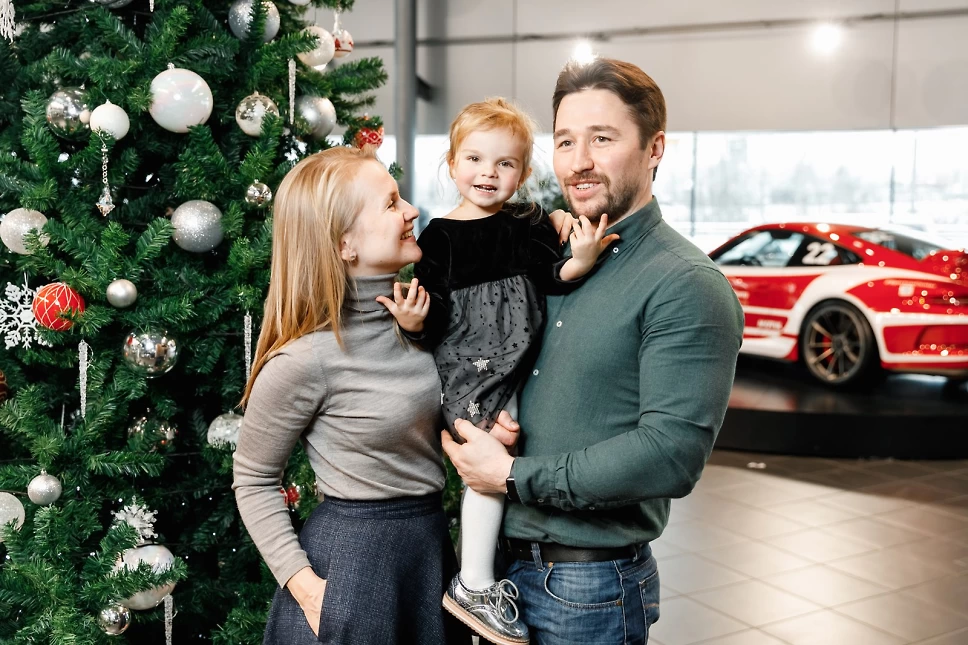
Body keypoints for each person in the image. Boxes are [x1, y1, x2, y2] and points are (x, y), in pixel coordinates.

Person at [441, 58, 745, 644]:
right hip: (493, 573)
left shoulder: (685, 284)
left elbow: (671, 454)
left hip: (585, 590)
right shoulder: (544, 253)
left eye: (602, 139)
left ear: (655, 148)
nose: (578, 161)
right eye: (564, 141)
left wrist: (512, 475)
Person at [233, 146, 509, 644]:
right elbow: (253, 480)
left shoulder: (420, 322)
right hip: (350, 573)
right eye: (390, 203)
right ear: (345, 245)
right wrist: (307, 589)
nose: (412, 211)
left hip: (427, 553)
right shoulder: (304, 359)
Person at [403, 98, 617, 645]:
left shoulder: (527, 222)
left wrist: (581, 257)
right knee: (490, 461)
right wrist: (413, 321)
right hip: (469, 369)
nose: (488, 173)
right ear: (452, 163)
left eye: (505, 164)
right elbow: (433, 320)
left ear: (521, 174)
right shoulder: (438, 237)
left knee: (506, 455)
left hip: (519, 366)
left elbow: (553, 273)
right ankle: (473, 583)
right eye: (475, 159)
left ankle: (487, 575)